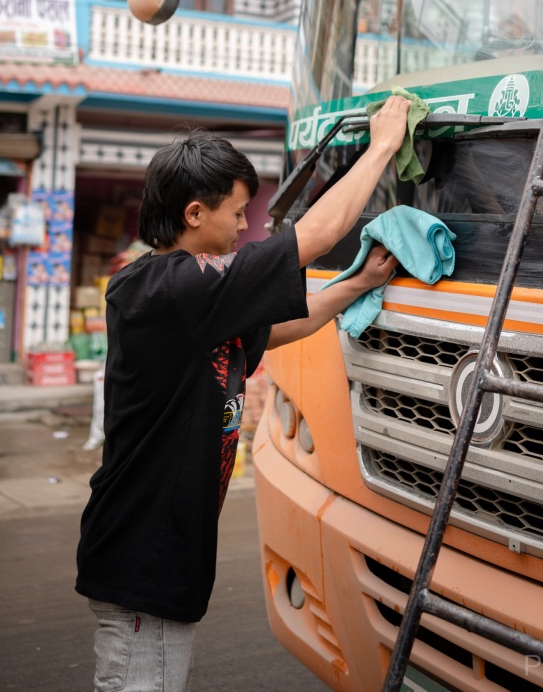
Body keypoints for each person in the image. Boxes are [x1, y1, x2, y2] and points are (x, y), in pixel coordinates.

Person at [75, 96, 410, 692]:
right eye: (237, 213)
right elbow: (319, 234)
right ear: (195, 213)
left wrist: (359, 282)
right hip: (142, 558)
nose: (243, 227)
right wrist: (383, 144)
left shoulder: (202, 302)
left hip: (165, 556)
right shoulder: (162, 288)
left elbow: (282, 325)